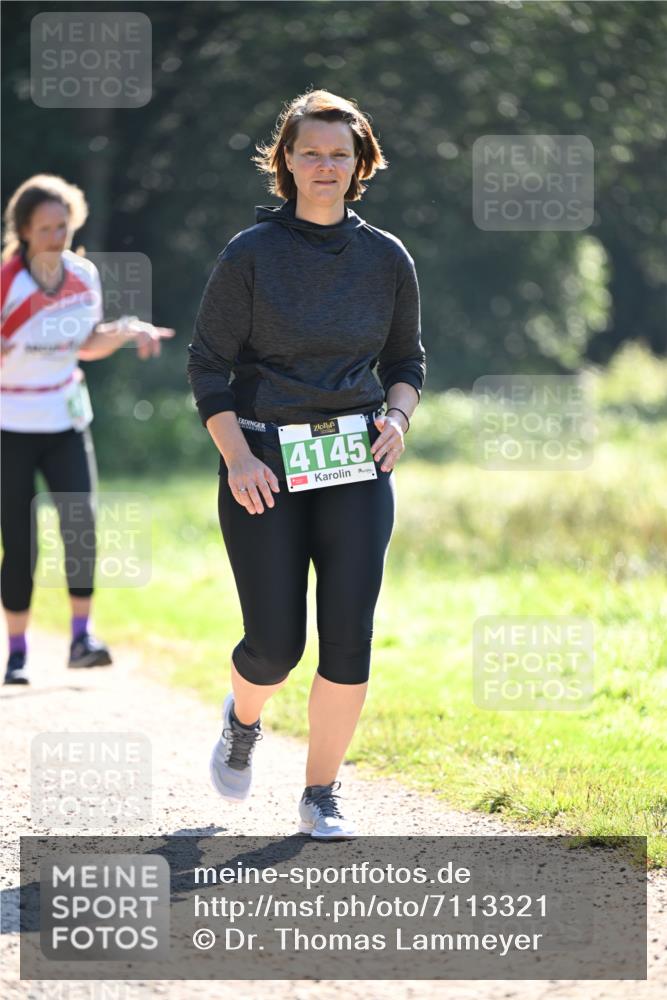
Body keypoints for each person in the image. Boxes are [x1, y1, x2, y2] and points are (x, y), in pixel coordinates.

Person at [187, 89, 425, 839]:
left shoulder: (386, 257)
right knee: (274, 646)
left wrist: (395, 417)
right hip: (262, 459)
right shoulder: (249, 254)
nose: (325, 166)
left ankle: (320, 792)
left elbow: (406, 361)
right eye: (310, 152)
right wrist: (236, 459)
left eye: (339, 154)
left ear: (361, 165)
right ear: (285, 161)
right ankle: (244, 718)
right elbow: (207, 366)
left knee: (348, 634)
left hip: (354, 459)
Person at [1, 174, 174, 685]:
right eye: (46, 228)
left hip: (66, 418)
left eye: (63, 225)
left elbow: (86, 343)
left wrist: (126, 331)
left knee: (81, 527)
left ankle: (82, 638)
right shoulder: (9, 281)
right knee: (21, 541)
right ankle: (16, 651)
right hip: (11, 423)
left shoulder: (83, 276)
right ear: (25, 231)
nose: (56, 236)